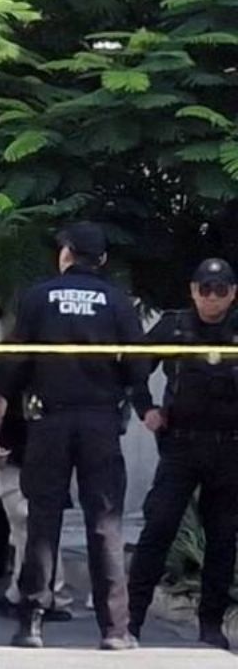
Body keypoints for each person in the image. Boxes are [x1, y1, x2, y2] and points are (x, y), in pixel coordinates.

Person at [6, 222, 149, 651]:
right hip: (100, 422)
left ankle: (31, 623)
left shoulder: (37, 297)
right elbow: (138, 368)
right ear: (102, 260)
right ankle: (114, 630)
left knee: (42, 521)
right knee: (104, 523)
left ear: (65, 253)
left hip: (49, 421)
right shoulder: (118, 302)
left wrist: (0, 417)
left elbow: (14, 364)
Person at [126, 258, 238, 649]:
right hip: (181, 445)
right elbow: (135, 365)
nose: (212, 298)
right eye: (205, 289)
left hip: (230, 448)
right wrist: (146, 409)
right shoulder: (175, 326)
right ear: (193, 291)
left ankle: (211, 625)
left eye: (220, 290)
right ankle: (131, 622)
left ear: (232, 293)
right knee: (158, 528)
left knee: (223, 540)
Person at [0, 361, 74, 622]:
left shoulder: (9, 363)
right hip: (55, 451)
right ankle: (28, 591)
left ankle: (47, 593)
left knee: (25, 526)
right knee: (38, 526)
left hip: (17, 454)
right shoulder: (60, 363)